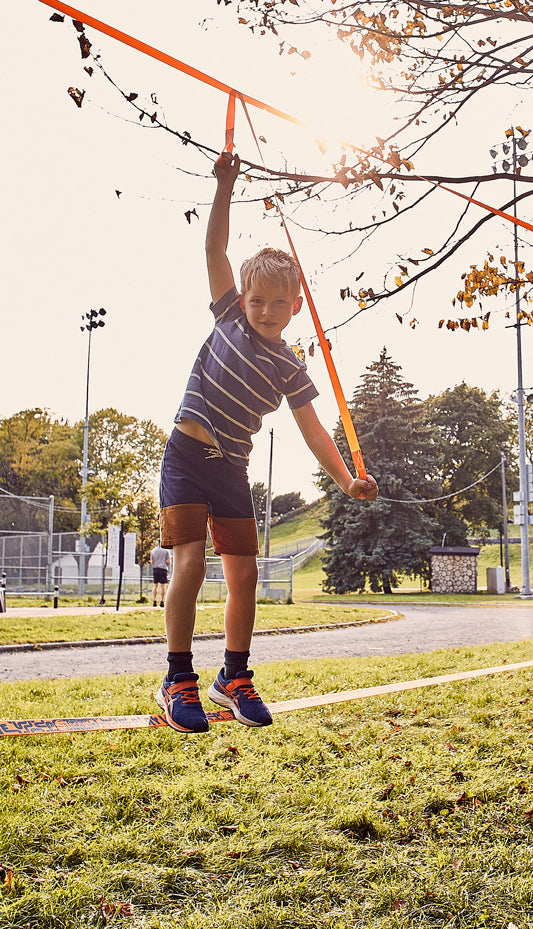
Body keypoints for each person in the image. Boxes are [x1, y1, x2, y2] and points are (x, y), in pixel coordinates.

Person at [156, 151, 378, 734]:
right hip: (185, 458)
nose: (266, 310)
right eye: (257, 300)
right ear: (242, 299)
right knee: (189, 563)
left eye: (280, 302)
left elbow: (313, 430)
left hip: (232, 470)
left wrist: (345, 480)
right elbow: (214, 249)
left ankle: (233, 678)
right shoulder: (228, 317)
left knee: (245, 576)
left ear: (296, 306)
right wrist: (224, 186)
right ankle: (178, 679)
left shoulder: (289, 366)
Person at [150, 542, 170, 607]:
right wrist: (167, 565)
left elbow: (152, 562)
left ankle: (154, 600)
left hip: (155, 568)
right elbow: (168, 561)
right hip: (163, 568)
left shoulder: (153, 551)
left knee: (155, 585)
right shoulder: (166, 551)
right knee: (163, 586)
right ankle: (162, 601)